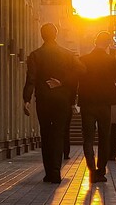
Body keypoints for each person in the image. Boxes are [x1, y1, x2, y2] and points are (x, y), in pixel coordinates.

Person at [23, 23, 83, 184]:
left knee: (46, 134)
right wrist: (62, 82)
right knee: (58, 134)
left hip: (43, 100)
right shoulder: (67, 54)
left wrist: (26, 99)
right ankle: (56, 171)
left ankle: (49, 171)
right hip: (62, 100)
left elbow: (31, 79)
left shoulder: (36, 55)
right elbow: (81, 70)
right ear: (55, 35)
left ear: (42, 35)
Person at [77, 31, 116, 183]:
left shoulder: (84, 60)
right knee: (104, 138)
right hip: (104, 104)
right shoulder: (111, 60)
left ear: (95, 41)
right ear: (108, 43)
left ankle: (91, 171)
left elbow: (77, 78)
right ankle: (101, 171)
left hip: (87, 103)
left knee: (88, 138)